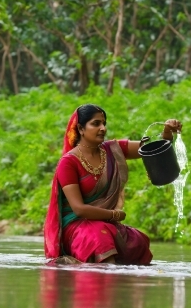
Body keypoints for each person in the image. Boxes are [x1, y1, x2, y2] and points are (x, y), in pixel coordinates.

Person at [43, 104, 182, 264]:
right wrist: (114, 215)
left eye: (104, 123)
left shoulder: (113, 150)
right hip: (77, 225)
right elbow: (79, 209)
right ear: (81, 128)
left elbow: (154, 151)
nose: (102, 128)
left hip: (104, 223)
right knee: (99, 239)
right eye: (96, 124)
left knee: (139, 242)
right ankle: (104, 282)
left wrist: (166, 132)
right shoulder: (68, 163)